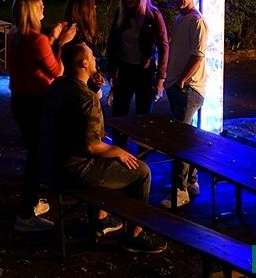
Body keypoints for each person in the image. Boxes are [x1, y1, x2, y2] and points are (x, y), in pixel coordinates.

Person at [39, 42, 167, 254]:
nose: (95, 59)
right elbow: (91, 147)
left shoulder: (58, 86)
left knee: (109, 156)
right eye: (91, 56)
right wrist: (117, 151)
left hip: (52, 162)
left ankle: (101, 218)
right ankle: (134, 235)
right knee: (141, 171)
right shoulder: (86, 99)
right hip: (74, 169)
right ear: (84, 63)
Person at [8, 0, 76, 232]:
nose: (44, 8)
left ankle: (32, 203)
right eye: (40, 6)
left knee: (34, 152)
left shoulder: (15, 35)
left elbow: (37, 56)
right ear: (32, 11)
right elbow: (56, 71)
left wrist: (53, 37)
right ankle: (26, 214)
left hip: (19, 100)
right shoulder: (37, 40)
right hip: (36, 102)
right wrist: (62, 43)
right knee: (37, 157)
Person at [160, 0, 208, 209]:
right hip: (178, 86)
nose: (177, 0)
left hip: (188, 88)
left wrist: (182, 80)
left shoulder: (197, 21)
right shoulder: (181, 19)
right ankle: (190, 182)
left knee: (180, 138)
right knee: (185, 136)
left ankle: (180, 189)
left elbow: (198, 56)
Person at [106, 0, 169, 146]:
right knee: (119, 114)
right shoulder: (121, 14)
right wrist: (111, 69)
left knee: (144, 117)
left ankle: (142, 154)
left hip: (145, 72)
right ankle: (119, 150)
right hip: (125, 69)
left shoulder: (152, 15)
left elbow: (163, 45)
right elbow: (112, 42)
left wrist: (161, 76)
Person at [63, 0, 104, 94]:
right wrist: (95, 88)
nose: (95, 7)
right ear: (85, 8)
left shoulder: (85, 30)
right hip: (77, 87)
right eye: (92, 5)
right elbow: (74, 67)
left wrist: (95, 72)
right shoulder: (73, 33)